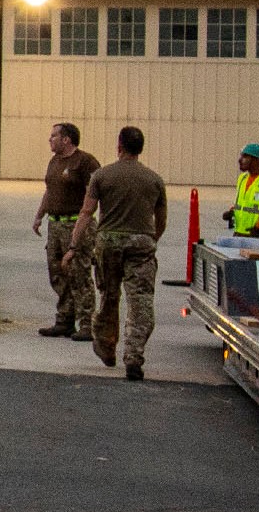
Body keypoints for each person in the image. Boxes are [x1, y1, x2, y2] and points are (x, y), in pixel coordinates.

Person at [77, 124, 168, 382]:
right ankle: (134, 357)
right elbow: (161, 221)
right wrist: (150, 240)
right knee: (140, 302)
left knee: (108, 296)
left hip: (108, 243)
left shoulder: (102, 176)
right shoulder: (154, 180)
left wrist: (74, 245)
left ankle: (106, 346)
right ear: (141, 148)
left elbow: (87, 212)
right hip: (141, 245)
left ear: (119, 146)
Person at [33, 120, 97, 340]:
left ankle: (87, 323)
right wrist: (39, 215)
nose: (50, 140)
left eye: (54, 136)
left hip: (75, 224)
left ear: (66, 139)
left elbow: (93, 195)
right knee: (57, 273)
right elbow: (49, 191)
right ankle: (64, 320)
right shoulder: (54, 162)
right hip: (56, 223)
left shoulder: (84, 162)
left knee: (79, 273)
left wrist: (85, 225)